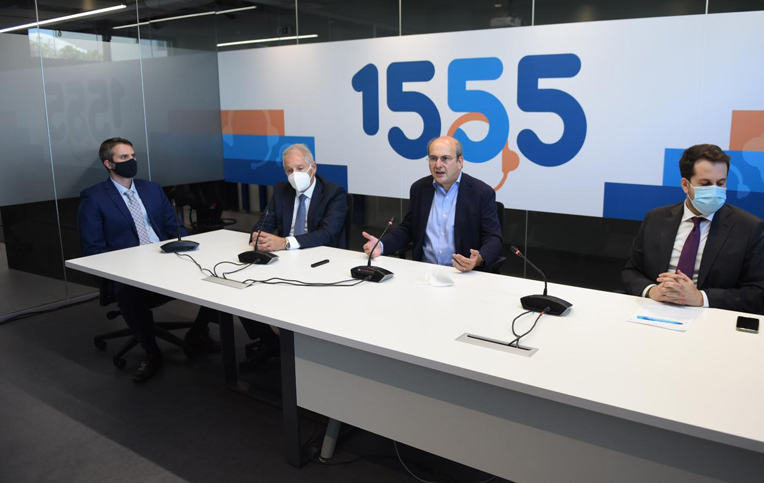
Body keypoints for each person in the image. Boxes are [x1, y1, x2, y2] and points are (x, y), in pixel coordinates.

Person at [78, 137, 218, 384]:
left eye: (133, 156)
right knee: (129, 293)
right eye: (124, 157)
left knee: (215, 274)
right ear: (108, 164)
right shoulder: (94, 197)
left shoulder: (152, 189)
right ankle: (151, 352)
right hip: (127, 269)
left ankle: (197, 332)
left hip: (164, 259)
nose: (131, 161)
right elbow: (93, 249)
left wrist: (184, 248)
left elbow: (175, 228)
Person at [622, 144, 764, 313]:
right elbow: (631, 271)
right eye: (706, 184)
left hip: (710, 316)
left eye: (721, 183)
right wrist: (652, 291)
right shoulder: (656, 218)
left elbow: (760, 292)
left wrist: (701, 298)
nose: (715, 191)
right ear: (685, 185)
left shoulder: (748, 227)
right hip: (654, 310)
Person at [240, 143, 348, 370]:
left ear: (313, 167)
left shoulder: (333, 193)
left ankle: (307, 357)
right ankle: (271, 343)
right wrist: (259, 236)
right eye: (289, 170)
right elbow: (263, 224)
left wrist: (285, 242)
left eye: (300, 168)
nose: (294, 175)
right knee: (243, 289)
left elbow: (328, 234)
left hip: (320, 263)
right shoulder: (281, 190)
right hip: (285, 260)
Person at [363, 136, 503, 273]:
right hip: (424, 272)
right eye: (433, 158)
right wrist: (382, 245)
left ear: (460, 162)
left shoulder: (481, 193)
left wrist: (479, 259)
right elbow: (408, 228)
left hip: (462, 273)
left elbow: (493, 238)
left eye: (445, 158)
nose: (438, 165)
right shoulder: (419, 188)